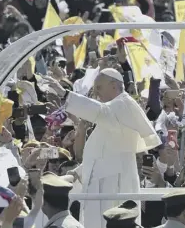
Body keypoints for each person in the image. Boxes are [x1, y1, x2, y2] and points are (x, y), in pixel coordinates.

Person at [53, 68, 160, 228]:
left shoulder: (124, 104)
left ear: (113, 85)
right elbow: (101, 154)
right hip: (102, 184)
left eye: (99, 88)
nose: (96, 93)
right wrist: (78, 172)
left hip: (115, 184)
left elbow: (100, 112)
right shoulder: (112, 114)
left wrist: (66, 95)